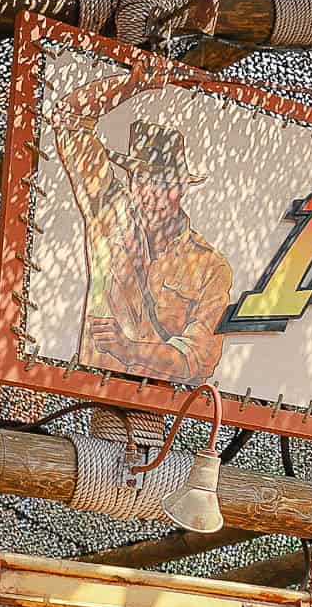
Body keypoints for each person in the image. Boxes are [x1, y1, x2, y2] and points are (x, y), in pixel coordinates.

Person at [50, 67, 232, 383]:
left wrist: (130, 350)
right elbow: (69, 116)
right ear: (132, 182)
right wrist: (135, 80)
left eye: (164, 182)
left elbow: (200, 359)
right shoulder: (109, 213)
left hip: (159, 396)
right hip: (96, 384)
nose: (153, 193)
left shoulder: (211, 266)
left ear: (182, 187)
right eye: (143, 178)